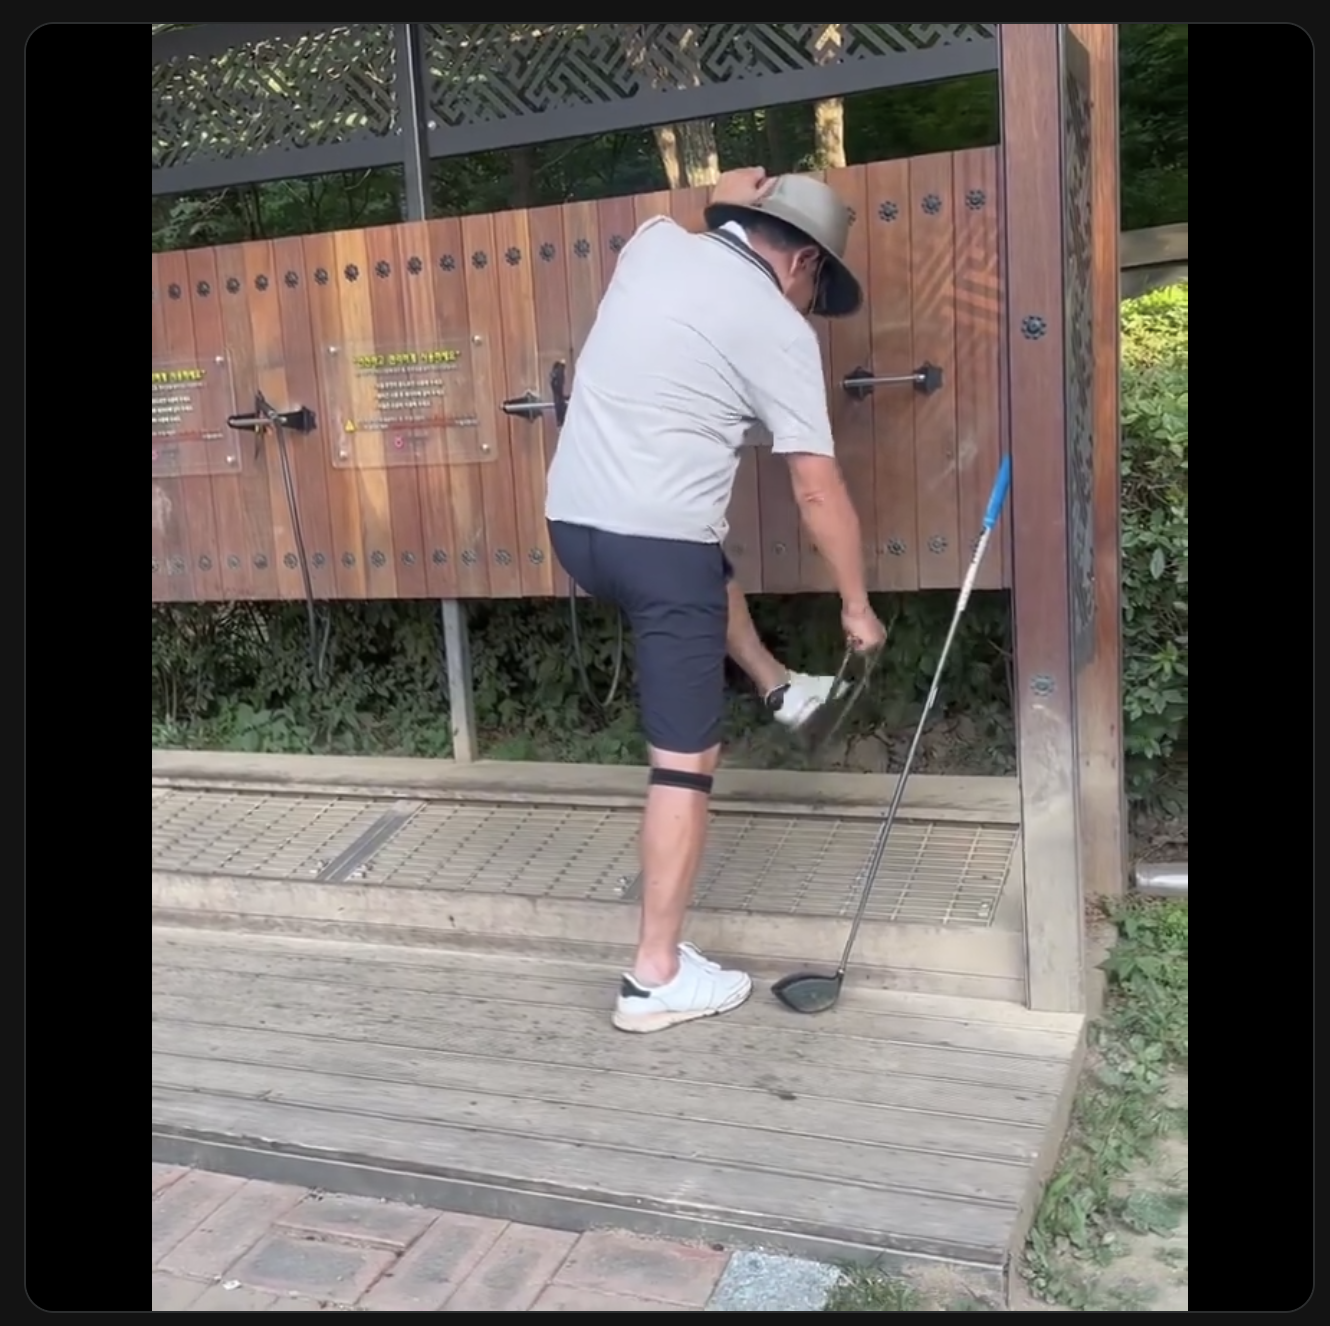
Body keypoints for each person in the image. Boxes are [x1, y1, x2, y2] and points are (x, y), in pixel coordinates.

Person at [545, 167, 887, 1034]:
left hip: (575, 527)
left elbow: (693, 205)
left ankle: (780, 687)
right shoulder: (778, 328)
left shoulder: (655, 245)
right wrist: (856, 606)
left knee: (706, 564)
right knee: (683, 764)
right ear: (804, 262)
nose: (808, 306)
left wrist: (729, 186)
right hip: (658, 552)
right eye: (815, 289)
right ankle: (654, 976)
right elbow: (817, 489)